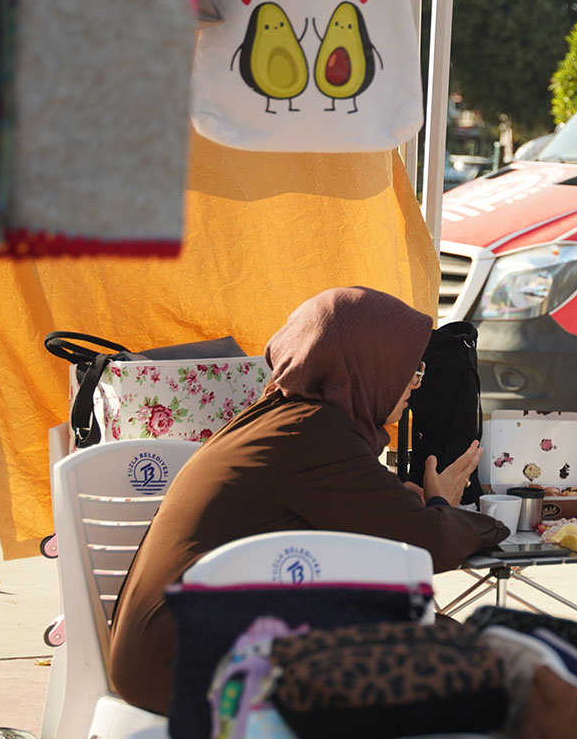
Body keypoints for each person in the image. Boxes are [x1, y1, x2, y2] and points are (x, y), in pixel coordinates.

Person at [109, 287, 508, 714]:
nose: (415, 382)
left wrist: (411, 507)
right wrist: (449, 507)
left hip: (177, 650)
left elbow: (372, 525)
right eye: (408, 369)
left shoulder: (284, 416)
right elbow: (427, 545)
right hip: (187, 666)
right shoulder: (315, 435)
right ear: (367, 366)